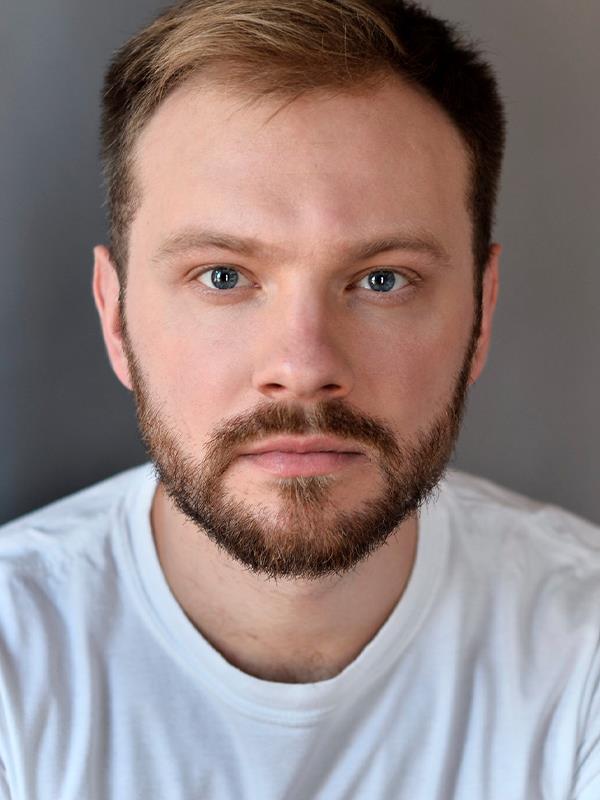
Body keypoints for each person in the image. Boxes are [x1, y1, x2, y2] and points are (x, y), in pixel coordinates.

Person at [0, 0, 598, 797]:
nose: (304, 366)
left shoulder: (582, 648)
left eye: (382, 280)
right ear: (116, 316)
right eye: (223, 276)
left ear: (481, 313)